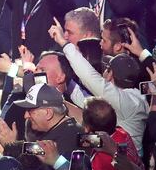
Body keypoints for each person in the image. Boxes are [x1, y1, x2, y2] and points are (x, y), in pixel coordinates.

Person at [50, 22, 149, 152]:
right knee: (75, 140)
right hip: (111, 147)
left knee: (71, 142)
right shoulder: (132, 97)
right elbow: (85, 100)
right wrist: (64, 79)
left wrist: (64, 43)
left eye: (107, 69)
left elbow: (89, 77)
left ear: (111, 75)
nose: (104, 72)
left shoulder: (127, 101)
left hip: (124, 161)